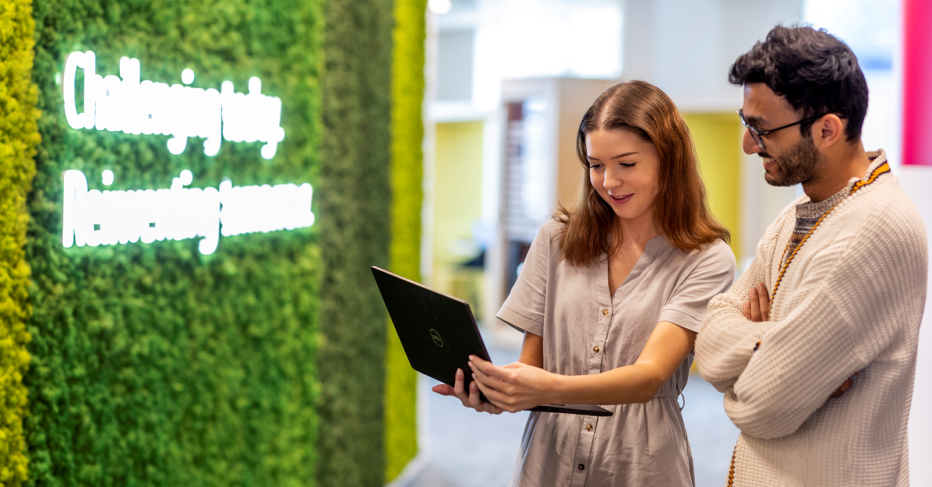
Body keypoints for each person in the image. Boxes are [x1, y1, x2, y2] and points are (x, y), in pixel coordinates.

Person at [433, 80, 736, 486]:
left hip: (641, 467)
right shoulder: (555, 240)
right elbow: (532, 366)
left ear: (670, 160)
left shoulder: (706, 258)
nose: (609, 181)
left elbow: (649, 376)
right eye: (596, 165)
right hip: (548, 464)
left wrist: (545, 389)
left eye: (627, 164)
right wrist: (500, 392)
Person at [695, 25, 928, 487]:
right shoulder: (801, 211)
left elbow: (764, 404)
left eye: (761, 129)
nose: (747, 144)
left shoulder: (872, 231)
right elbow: (709, 341)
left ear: (827, 129)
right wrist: (768, 343)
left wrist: (764, 357)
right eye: (747, 124)